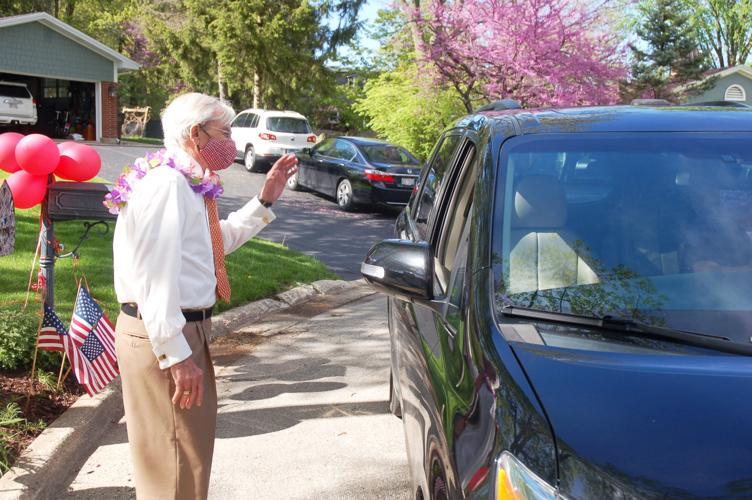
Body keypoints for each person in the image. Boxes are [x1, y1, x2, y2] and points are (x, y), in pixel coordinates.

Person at [110, 92, 298, 499]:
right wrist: (177, 356)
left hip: (175, 330)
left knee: (185, 460)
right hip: (166, 330)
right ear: (195, 133)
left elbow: (213, 243)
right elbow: (153, 278)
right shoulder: (167, 186)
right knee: (177, 467)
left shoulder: (185, 181)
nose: (231, 142)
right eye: (225, 132)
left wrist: (265, 199)